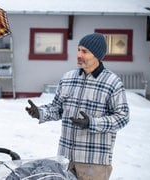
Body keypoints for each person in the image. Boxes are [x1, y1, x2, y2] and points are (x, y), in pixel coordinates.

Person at [26, 33, 129, 180]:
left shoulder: (112, 82)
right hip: (65, 159)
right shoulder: (68, 78)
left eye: (84, 51)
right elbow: (58, 108)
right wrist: (40, 113)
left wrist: (91, 123)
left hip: (94, 163)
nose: (79, 55)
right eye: (78, 49)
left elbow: (122, 117)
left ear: (97, 55)